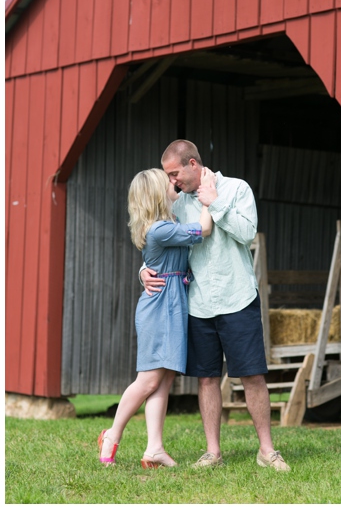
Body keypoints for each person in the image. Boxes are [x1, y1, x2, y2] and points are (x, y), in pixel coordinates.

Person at [140, 140, 290, 472]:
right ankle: (213, 452)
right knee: (206, 379)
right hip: (198, 303)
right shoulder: (176, 205)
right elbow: (156, 238)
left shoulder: (236, 189)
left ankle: (266, 451)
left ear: (193, 164)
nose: (172, 181)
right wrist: (143, 269)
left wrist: (215, 203)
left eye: (175, 173)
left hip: (238, 298)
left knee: (252, 376)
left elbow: (247, 234)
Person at [99, 167, 214, 467]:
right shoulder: (160, 229)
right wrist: (208, 200)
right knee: (148, 380)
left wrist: (142, 271)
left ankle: (155, 449)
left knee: (163, 381)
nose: (174, 183)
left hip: (173, 302)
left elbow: (153, 260)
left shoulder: (168, 223)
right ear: (156, 194)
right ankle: (112, 434)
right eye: (168, 182)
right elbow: (204, 230)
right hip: (160, 306)